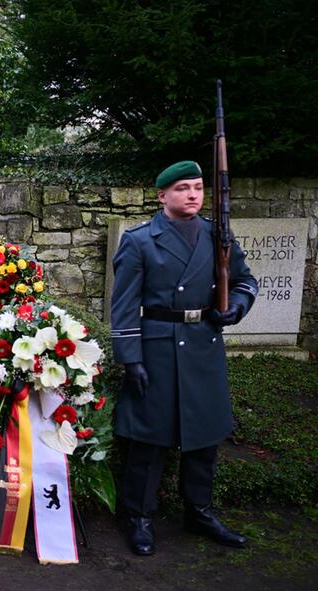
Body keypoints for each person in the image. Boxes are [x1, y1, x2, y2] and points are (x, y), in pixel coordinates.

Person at [110, 160, 257, 556]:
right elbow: (124, 305)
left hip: (203, 344)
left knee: (204, 438)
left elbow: (245, 281)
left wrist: (236, 307)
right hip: (156, 347)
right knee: (149, 439)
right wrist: (130, 358)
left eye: (197, 187)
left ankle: (200, 511)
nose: (192, 194)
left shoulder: (216, 235)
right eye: (182, 188)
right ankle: (138, 517)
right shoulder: (140, 240)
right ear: (162, 195)